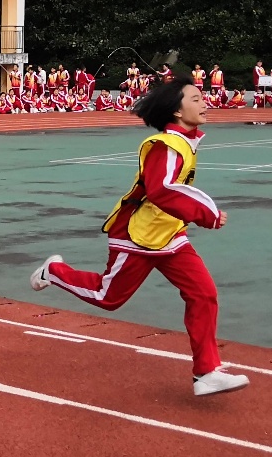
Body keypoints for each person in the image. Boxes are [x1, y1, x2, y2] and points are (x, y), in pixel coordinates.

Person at [29, 79, 248, 398]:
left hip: (169, 235)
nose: (205, 103)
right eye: (197, 98)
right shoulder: (165, 145)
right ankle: (53, 272)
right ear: (176, 109)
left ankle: (207, 372)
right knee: (108, 298)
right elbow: (162, 191)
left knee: (204, 294)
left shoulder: (185, 143)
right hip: (136, 234)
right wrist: (206, 213)